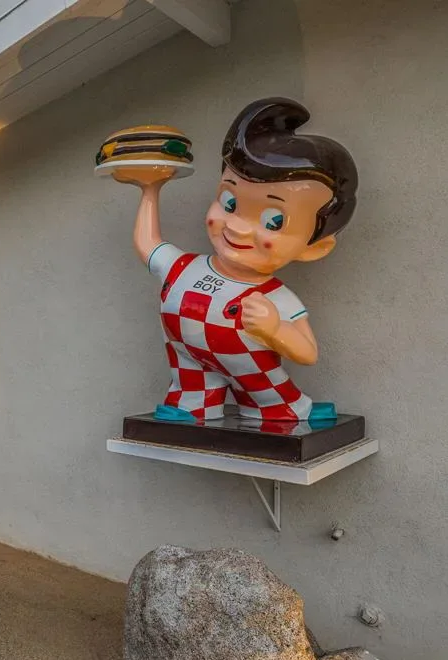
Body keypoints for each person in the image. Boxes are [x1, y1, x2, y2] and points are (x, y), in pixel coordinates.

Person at [123, 97, 358, 422]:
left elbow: (307, 352)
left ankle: (289, 409)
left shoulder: (274, 297)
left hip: (252, 371)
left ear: (313, 248)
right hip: (192, 367)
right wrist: (150, 191)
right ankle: (190, 407)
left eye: (274, 221)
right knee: (190, 389)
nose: (237, 227)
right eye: (229, 202)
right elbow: (147, 244)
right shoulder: (183, 268)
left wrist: (275, 329)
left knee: (269, 395)